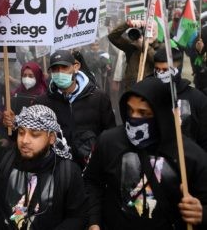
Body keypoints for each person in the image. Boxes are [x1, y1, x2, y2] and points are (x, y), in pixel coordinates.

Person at [84, 77, 207, 229]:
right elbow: (92, 182)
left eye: (143, 113)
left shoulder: (188, 154)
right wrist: (93, 221)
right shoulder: (109, 141)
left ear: (161, 114)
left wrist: (201, 213)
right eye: (130, 110)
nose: (134, 117)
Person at [5, 50, 116, 168]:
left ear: (76, 67)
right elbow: (31, 135)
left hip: (90, 168)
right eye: (55, 69)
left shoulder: (98, 97)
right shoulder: (42, 102)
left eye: (64, 67)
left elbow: (109, 135)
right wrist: (14, 126)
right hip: (56, 169)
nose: (60, 72)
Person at [153, 47, 207, 152]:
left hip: (188, 157)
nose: (160, 74)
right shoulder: (150, 94)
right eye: (157, 69)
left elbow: (204, 136)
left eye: (165, 70)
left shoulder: (197, 99)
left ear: (178, 69)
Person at [108, 19, 161, 90]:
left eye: (152, 30)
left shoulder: (161, 47)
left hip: (150, 91)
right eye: (146, 30)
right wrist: (127, 24)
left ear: (157, 32)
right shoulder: (132, 47)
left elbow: (158, 60)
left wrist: (145, 47)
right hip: (132, 90)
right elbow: (112, 37)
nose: (150, 33)